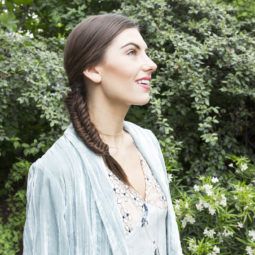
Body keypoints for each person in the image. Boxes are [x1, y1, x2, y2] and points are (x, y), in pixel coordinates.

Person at [22, 13, 182, 255]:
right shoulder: (55, 170)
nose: (151, 64)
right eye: (132, 52)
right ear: (93, 69)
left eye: (145, 52)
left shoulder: (147, 142)